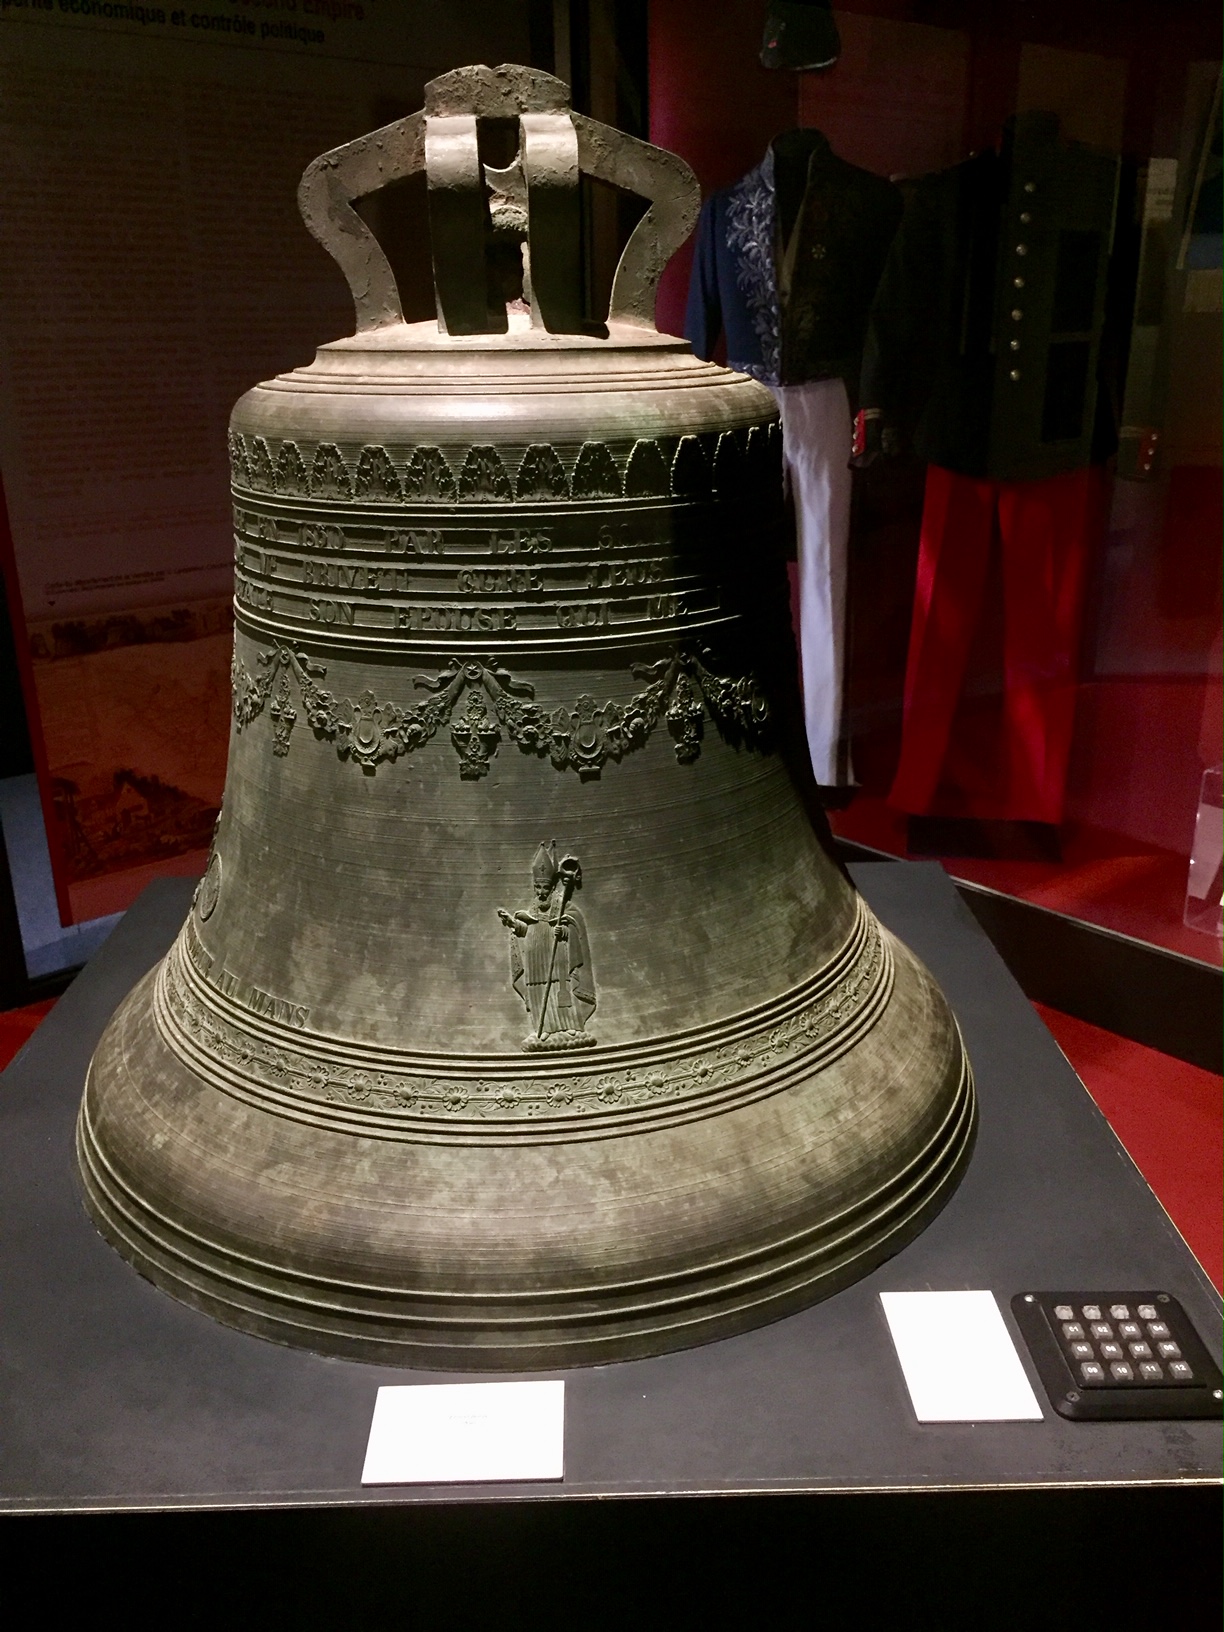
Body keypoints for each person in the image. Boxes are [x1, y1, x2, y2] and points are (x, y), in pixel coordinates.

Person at [498, 842, 596, 1050]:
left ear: (552, 887)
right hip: (535, 958)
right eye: (537, 887)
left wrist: (565, 931)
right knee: (538, 990)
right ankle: (543, 1028)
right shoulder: (533, 907)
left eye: (545, 888)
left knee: (560, 987)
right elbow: (527, 929)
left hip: (558, 955)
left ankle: (570, 1025)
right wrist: (513, 924)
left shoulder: (563, 906)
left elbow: (574, 925)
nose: (541, 892)